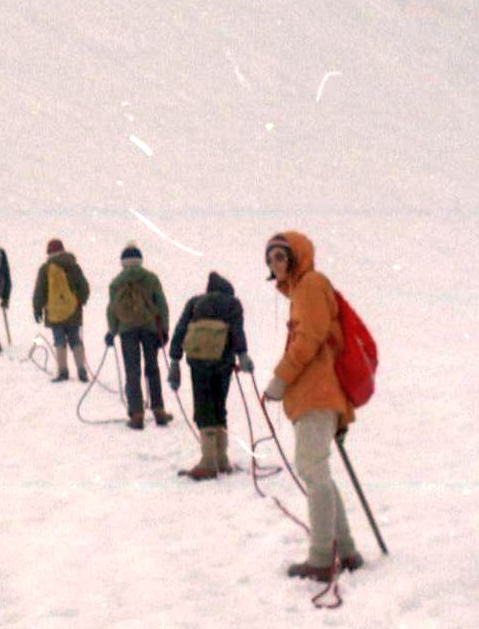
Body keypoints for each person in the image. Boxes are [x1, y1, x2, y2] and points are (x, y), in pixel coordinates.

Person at [260, 231, 363, 581]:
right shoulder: (305, 289)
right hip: (315, 395)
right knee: (317, 471)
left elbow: (310, 339)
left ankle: (321, 559)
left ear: (296, 256)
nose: (275, 264)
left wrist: (279, 380)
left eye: (280, 256)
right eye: (271, 259)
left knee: (313, 471)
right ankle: (345, 550)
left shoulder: (310, 285)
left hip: (316, 395)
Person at [167, 272, 252, 480]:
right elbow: (237, 332)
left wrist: (175, 361)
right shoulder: (233, 304)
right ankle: (221, 459)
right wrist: (242, 356)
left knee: (204, 406)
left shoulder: (195, 302)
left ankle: (208, 462)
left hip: (198, 361)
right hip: (223, 362)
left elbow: (180, 331)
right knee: (219, 405)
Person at [104, 243, 173, 429]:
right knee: (152, 368)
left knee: (132, 371)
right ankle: (158, 411)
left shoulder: (116, 282)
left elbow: (112, 310)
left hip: (127, 331)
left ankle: (136, 415)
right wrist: (164, 329)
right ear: (140, 261)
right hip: (150, 328)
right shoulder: (151, 278)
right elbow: (162, 304)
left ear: (123, 262)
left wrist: (112, 331)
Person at [32, 239, 91, 382]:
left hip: (54, 312)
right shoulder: (73, 266)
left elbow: (40, 290)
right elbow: (84, 287)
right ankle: (81, 370)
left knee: (59, 340)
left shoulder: (45, 269)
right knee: (75, 339)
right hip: (73, 311)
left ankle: (63, 371)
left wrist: (37, 308)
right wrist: (80, 301)